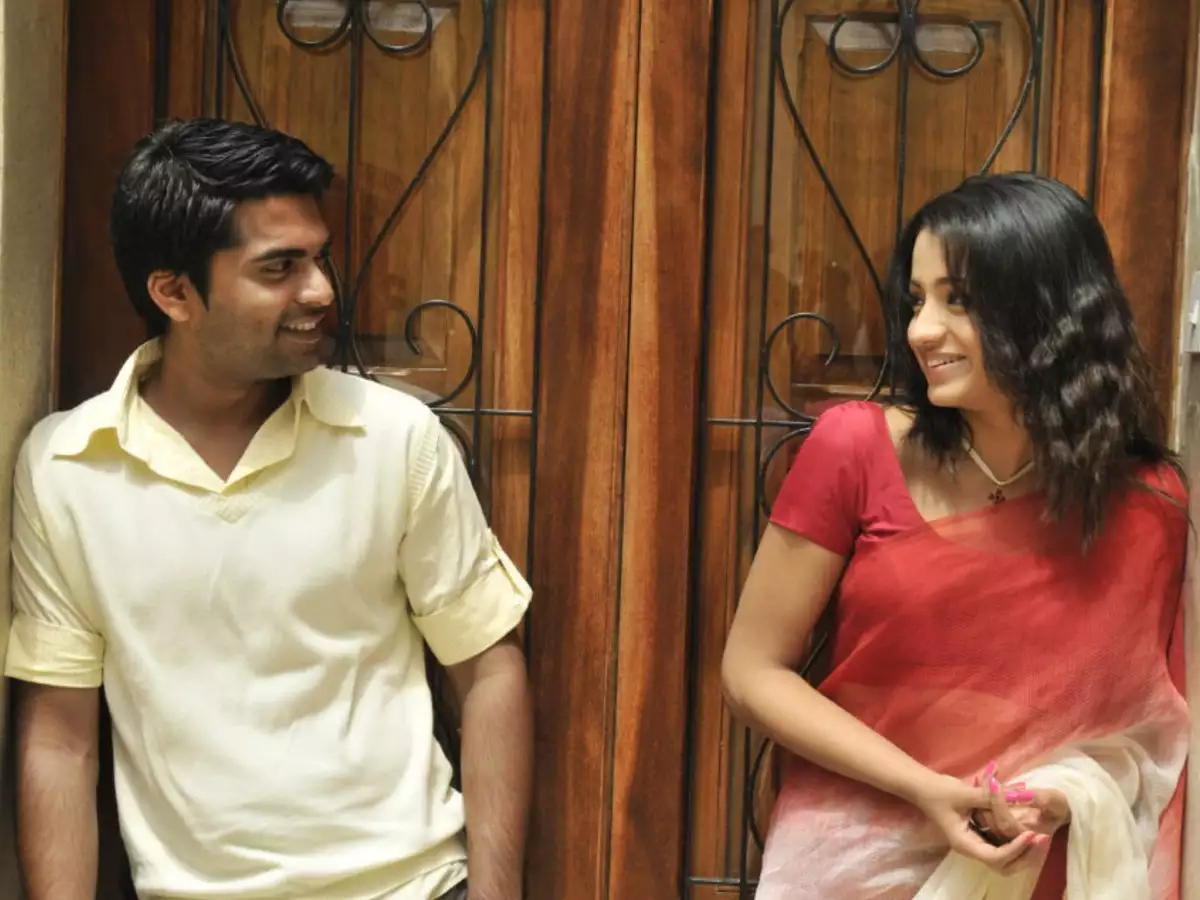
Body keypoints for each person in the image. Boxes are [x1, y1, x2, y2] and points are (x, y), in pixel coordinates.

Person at [6, 118, 533, 900]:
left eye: (319, 257)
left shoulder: (393, 438)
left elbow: (487, 669)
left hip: (411, 886)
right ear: (173, 292)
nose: (320, 291)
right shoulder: (67, 468)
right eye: (280, 267)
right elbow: (60, 739)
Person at [722, 173, 1188, 899]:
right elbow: (752, 671)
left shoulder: (1147, 505)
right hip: (851, 862)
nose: (920, 330)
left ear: (1049, 310)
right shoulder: (856, 449)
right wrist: (925, 788)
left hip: (1046, 868)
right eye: (917, 300)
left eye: (958, 299)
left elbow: (1152, 735)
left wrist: (1065, 795)